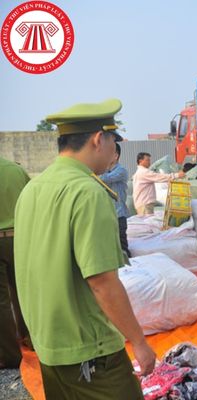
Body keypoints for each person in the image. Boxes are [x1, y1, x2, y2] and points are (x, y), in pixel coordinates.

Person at [14, 99, 155, 399]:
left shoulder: (32, 189)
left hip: (49, 346)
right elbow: (102, 282)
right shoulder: (88, 192)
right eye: (112, 142)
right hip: (90, 352)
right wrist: (139, 343)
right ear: (97, 139)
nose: (113, 152)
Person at [0, 157, 30, 368]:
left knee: (2, 302)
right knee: (25, 292)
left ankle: (11, 355)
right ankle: (33, 340)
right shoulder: (15, 170)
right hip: (20, 237)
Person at [100, 143, 131, 257]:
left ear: (115, 156)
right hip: (108, 215)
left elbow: (104, 179)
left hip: (119, 215)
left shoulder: (121, 170)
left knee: (122, 247)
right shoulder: (105, 171)